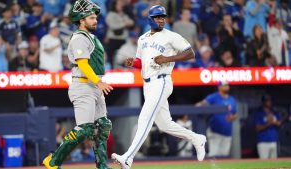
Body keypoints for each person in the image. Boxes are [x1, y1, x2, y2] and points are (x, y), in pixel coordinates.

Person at [111, 5, 206, 169]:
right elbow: (143, 63)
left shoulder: (171, 36)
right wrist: (133, 63)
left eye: (163, 17)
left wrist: (168, 58)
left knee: (144, 119)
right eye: (158, 17)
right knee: (165, 125)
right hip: (147, 84)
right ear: (150, 19)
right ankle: (197, 138)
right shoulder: (142, 39)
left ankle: (128, 158)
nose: (161, 19)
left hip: (161, 81)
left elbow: (190, 53)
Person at [42, 1, 113, 169]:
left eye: (95, 17)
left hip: (94, 87)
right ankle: (53, 161)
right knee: (84, 129)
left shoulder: (92, 37)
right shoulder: (79, 38)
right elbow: (83, 64)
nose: (95, 20)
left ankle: (103, 166)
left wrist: (97, 83)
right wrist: (98, 81)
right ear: (82, 20)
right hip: (83, 86)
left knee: (102, 127)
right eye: (91, 17)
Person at [196, 81, 237, 157]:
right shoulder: (214, 97)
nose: (227, 87)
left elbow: (235, 114)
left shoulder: (232, 99)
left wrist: (232, 117)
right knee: (214, 155)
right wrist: (197, 106)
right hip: (215, 132)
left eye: (227, 85)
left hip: (227, 132)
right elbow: (201, 104)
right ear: (219, 87)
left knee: (224, 156)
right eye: (225, 85)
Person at [255, 95, 281, 159]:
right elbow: (258, 128)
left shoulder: (275, 112)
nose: (269, 102)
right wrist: (268, 123)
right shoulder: (259, 113)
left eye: (270, 100)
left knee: (274, 164)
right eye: (267, 100)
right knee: (264, 164)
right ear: (263, 102)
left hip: (274, 141)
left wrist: (273, 122)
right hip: (263, 142)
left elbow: (280, 124)